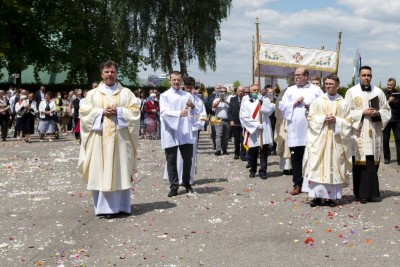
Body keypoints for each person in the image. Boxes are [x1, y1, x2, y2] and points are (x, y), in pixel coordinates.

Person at [78, 60, 140, 219]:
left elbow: (135, 112)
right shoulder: (92, 94)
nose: (109, 75)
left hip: (120, 141)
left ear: (116, 73)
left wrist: (119, 111)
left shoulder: (126, 93)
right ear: (101, 74)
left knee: (120, 170)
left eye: (112, 72)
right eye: (106, 72)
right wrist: (100, 112)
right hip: (99, 140)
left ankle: (122, 207)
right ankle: (104, 209)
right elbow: (84, 113)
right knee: (100, 171)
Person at [302, 75, 352, 207]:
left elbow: (348, 122)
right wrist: (323, 118)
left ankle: (332, 198)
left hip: (335, 141)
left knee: (334, 166)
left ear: (338, 86)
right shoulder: (318, 101)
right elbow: (311, 118)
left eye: (331, 84)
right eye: (327, 84)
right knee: (317, 166)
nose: (329, 86)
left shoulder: (343, 103)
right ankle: (317, 197)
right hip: (320, 140)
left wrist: (337, 120)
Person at [345, 66, 391, 204]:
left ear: (371, 76)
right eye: (364, 75)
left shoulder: (378, 92)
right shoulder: (351, 92)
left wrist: (377, 113)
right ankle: (361, 194)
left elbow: (386, 110)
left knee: (371, 164)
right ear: (359, 76)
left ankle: (371, 193)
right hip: (358, 134)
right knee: (360, 165)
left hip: (374, 132)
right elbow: (346, 112)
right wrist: (362, 113)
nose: (366, 77)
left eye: (369, 75)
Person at [279, 67, 324, 195]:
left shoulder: (316, 90)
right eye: (295, 75)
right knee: (296, 159)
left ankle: (311, 184)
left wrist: (312, 106)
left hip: (312, 130)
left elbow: (324, 105)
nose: (296, 77)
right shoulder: (290, 90)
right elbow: (281, 106)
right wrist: (293, 102)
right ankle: (297, 184)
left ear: (306, 76)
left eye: (299, 75)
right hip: (295, 131)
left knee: (312, 157)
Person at [160, 71, 201, 197]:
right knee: (171, 160)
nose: (176, 82)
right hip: (170, 131)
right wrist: (179, 114)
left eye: (178, 80)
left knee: (187, 159)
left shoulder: (187, 95)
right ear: (170, 80)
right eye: (174, 80)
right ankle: (174, 186)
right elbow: (164, 113)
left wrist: (193, 106)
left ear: (181, 80)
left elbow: (197, 112)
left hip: (184, 130)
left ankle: (187, 183)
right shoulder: (164, 96)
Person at [240, 84, 275, 179]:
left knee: (264, 152)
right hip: (254, 130)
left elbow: (270, 110)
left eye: (257, 90)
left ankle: (263, 170)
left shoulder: (265, 100)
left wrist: (263, 101)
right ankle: (253, 169)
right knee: (253, 152)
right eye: (254, 90)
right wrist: (256, 125)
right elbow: (244, 117)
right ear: (250, 91)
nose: (256, 91)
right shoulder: (246, 102)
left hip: (264, 129)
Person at [382, 78, 400, 165]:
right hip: (386, 120)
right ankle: (386, 158)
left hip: (397, 120)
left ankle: (399, 159)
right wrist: (389, 100)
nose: (389, 86)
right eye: (388, 85)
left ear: (394, 85)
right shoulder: (383, 93)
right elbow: (381, 106)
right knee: (385, 140)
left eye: (391, 85)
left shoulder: (398, 94)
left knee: (398, 139)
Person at [228, 85, 246, 160]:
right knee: (237, 140)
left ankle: (243, 155)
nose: (241, 92)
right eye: (239, 91)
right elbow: (229, 111)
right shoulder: (232, 99)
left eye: (242, 91)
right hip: (235, 123)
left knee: (243, 140)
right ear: (237, 91)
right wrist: (231, 120)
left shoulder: (246, 100)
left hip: (244, 123)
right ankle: (236, 154)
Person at [212, 86, 230, 155]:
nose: (223, 93)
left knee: (226, 136)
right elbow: (213, 106)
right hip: (218, 119)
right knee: (218, 135)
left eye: (224, 92)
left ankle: (224, 149)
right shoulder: (216, 99)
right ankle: (218, 150)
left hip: (227, 120)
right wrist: (220, 99)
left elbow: (231, 105)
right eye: (221, 92)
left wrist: (224, 100)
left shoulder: (228, 99)